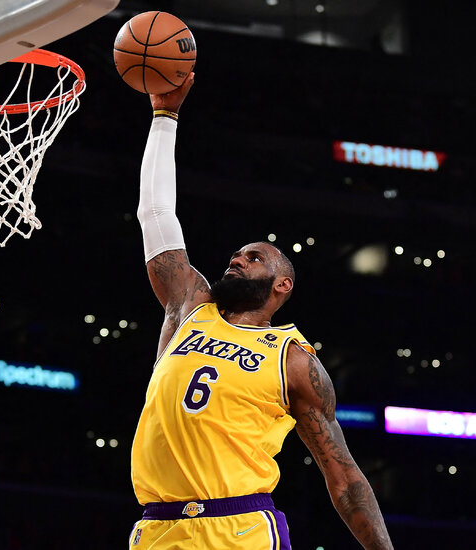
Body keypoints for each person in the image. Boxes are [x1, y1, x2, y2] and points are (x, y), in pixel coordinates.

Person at [128, 72, 394, 550]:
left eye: (254, 258)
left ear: (282, 284)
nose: (237, 259)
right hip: (158, 529)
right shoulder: (189, 307)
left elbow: (343, 475)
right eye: (236, 254)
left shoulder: (292, 359)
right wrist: (164, 116)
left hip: (240, 528)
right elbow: (156, 213)